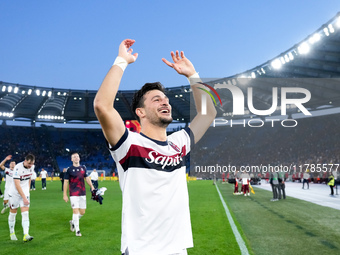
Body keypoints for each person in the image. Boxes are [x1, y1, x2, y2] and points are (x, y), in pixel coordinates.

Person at [94, 39, 216, 255]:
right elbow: (102, 106)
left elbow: (208, 113)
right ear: (140, 112)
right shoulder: (129, 144)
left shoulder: (178, 144)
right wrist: (122, 60)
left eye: (166, 99)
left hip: (178, 249)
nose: (165, 102)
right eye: (156, 99)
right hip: (142, 249)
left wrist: (193, 75)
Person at [63, 152, 94, 237]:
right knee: (75, 210)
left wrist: (92, 186)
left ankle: (73, 222)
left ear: (79, 158)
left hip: (82, 192)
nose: (76, 158)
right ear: (71, 159)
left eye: (77, 156)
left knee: (82, 212)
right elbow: (65, 182)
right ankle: (77, 230)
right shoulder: (69, 169)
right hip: (73, 193)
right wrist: (65, 194)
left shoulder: (83, 168)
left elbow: (86, 178)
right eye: (74, 157)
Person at [8, 154, 35, 242]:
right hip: (14, 193)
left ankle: (26, 234)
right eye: (29, 164)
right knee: (13, 213)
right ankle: (12, 233)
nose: (30, 166)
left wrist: (28, 189)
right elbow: (17, 184)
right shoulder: (17, 168)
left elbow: (29, 177)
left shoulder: (32, 167)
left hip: (25, 193)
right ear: (25, 161)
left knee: (25, 213)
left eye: (32, 164)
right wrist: (24, 197)